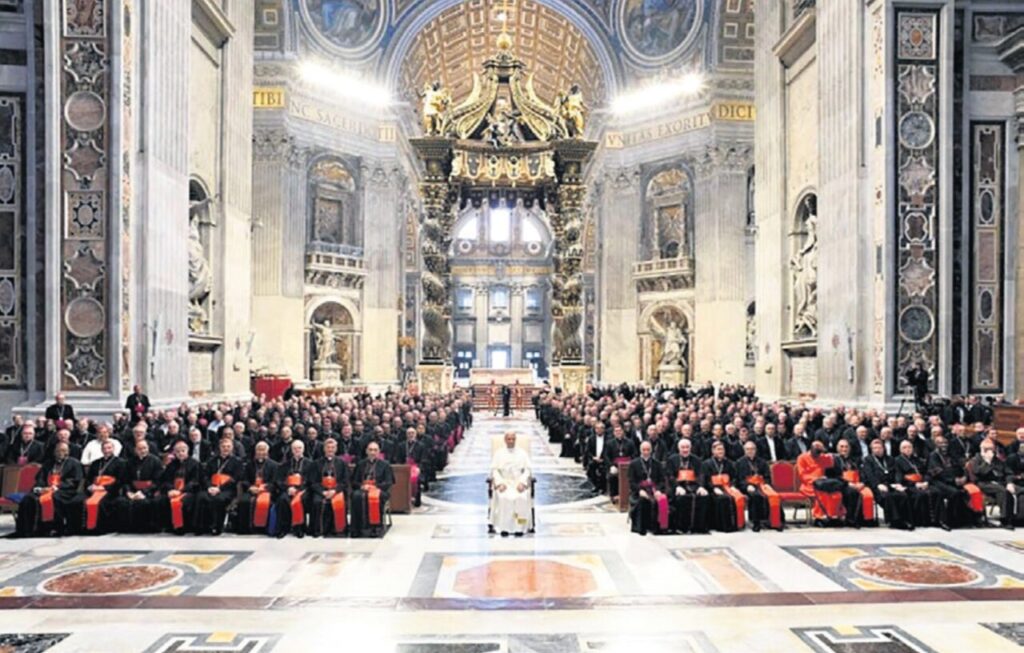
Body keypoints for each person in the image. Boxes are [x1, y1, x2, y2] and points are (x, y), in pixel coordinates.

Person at [14, 442, 84, 537]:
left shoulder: (74, 463)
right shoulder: (48, 463)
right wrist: (40, 488)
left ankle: (53, 527)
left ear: (68, 452)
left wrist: (57, 487)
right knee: (28, 498)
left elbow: (74, 481)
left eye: (63, 450)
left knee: (54, 497)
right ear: (54, 452)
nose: (60, 453)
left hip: (65, 491)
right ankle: (28, 529)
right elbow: (40, 478)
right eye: (58, 450)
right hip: (46, 489)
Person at [928, 434, 982, 530]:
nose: (943, 445)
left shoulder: (951, 455)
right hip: (939, 481)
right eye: (940, 443)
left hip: (955, 480)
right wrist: (953, 480)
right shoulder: (933, 456)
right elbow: (938, 472)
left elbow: (960, 467)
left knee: (967, 492)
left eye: (945, 443)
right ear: (936, 445)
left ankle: (967, 519)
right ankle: (948, 520)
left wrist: (963, 477)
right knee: (954, 493)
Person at [194, 439, 243, 535]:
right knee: (201, 496)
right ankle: (200, 527)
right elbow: (205, 476)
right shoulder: (212, 460)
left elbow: (236, 479)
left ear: (232, 448)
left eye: (228, 446)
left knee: (218, 499)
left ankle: (216, 527)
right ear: (219, 448)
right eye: (223, 446)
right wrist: (209, 487)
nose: (225, 449)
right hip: (211, 487)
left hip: (227, 489)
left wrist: (220, 489)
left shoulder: (237, 462)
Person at [861, 438, 912, 530]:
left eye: (879, 448)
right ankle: (895, 521)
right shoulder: (868, 460)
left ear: (883, 448)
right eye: (875, 448)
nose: (877, 450)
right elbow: (869, 475)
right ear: (871, 450)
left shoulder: (890, 459)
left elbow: (897, 472)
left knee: (903, 495)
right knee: (888, 496)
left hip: (891, 484)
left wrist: (897, 483)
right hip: (877, 486)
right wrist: (877, 485)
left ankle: (906, 519)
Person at [489, 432, 532, 536]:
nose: (511, 441)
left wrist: (522, 482)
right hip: (505, 483)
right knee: (504, 498)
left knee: (521, 498)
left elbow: (527, 470)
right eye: (509, 439)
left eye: (513, 439)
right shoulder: (499, 453)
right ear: (505, 440)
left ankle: (520, 527)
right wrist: (499, 483)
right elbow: (495, 470)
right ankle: (504, 528)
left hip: (518, 483)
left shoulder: (522, 453)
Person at [735, 440, 783, 532]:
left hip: (762, 485)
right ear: (744, 450)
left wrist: (766, 484)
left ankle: (775, 521)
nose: (750, 451)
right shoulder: (739, 463)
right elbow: (738, 480)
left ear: (756, 450)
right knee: (756, 496)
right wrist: (747, 486)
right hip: (748, 487)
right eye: (748, 449)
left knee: (774, 496)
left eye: (752, 449)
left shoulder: (762, 462)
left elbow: (767, 476)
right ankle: (756, 522)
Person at [965, 441, 1014, 530]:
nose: (990, 451)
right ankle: (1005, 520)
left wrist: (1009, 482)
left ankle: (1015, 518)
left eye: (992, 449)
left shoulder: (998, 460)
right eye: (987, 449)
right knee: (1002, 491)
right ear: (982, 449)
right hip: (983, 483)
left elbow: (1008, 472)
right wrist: (988, 462)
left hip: (999, 482)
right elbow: (979, 473)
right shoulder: (976, 460)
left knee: (1012, 491)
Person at [351, 441, 395, 538]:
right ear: (366, 451)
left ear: (379, 452)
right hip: (363, 489)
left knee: (375, 497)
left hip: (379, 490)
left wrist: (375, 487)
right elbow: (354, 482)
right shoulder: (360, 464)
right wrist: (362, 486)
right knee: (356, 496)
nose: (372, 452)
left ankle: (375, 528)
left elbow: (388, 482)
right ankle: (359, 527)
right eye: (370, 450)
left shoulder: (385, 465)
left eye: (375, 450)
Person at [81, 439, 125, 534]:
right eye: (104, 448)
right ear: (101, 450)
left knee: (102, 503)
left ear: (113, 449)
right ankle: (86, 528)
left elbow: (120, 480)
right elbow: (89, 478)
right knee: (79, 501)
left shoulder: (120, 463)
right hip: (94, 489)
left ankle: (100, 529)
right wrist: (90, 486)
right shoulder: (96, 463)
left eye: (109, 448)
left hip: (110, 490)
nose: (107, 450)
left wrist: (105, 488)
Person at [665, 438, 708, 533]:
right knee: (682, 498)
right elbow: (670, 476)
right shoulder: (672, 460)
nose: (685, 450)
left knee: (703, 497)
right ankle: (681, 527)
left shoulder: (696, 460)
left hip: (693, 486)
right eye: (682, 447)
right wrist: (677, 487)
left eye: (687, 447)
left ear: (690, 448)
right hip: (677, 487)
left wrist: (701, 486)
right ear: (678, 448)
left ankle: (698, 527)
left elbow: (700, 474)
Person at [159, 440, 202, 534]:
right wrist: (170, 489)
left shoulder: (195, 464)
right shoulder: (171, 465)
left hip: (188, 491)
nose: (180, 453)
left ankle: (182, 527)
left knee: (184, 502)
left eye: (183, 450)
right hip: (173, 491)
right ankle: (169, 526)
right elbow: (166, 480)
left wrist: (182, 490)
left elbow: (195, 481)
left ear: (187, 451)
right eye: (178, 451)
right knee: (161, 500)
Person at [235, 441, 279, 535]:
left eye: (263, 450)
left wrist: (264, 488)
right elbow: (245, 479)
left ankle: (263, 529)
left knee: (267, 503)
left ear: (267, 452)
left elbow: (275, 481)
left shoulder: (274, 465)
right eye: (258, 450)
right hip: (252, 490)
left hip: (267, 491)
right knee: (244, 501)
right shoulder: (249, 464)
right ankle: (246, 529)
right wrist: (250, 487)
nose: (260, 452)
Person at [797, 441, 845, 526]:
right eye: (816, 452)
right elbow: (802, 475)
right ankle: (820, 517)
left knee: (836, 494)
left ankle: (834, 516)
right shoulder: (802, 458)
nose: (818, 455)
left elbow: (834, 462)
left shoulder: (823, 457)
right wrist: (816, 479)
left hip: (824, 483)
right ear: (811, 450)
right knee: (822, 494)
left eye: (819, 452)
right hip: (809, 485)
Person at [701, 441, 745, 532]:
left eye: (722, 449)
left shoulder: (729, 463)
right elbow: (705, 479)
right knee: (723, 499)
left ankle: (736, 524)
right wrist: (713, 488)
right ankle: (722, 526)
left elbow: (734, 477)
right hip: (713, 488)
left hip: (727, 487)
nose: (721, 452)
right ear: (713, 451)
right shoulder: (706, 464)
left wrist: (732, 485)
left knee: (736, 497)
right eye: (718, 449)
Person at [310, 438, 350, 537]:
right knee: (317, 502)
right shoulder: (316, 463)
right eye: (328, 447)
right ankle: (319, 529)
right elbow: (313, 481)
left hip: (337, 491)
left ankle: (337, 529)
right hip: (321, 491)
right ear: (324, 449)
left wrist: (334, 491)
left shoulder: (342, 463)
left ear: (336, 449)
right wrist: (322, 492)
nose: (330, 450)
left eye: (332, 448)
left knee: (339, 502)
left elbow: (345, 481)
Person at [275, 439, 314, 539]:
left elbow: (311, 480)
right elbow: (279, 480)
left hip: (303, 490)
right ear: (291, 450)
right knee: (282, 500)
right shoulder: (285, 464)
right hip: (288, 489)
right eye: (295, 448)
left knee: (301, 500)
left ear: (303, 449)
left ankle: (299, 528)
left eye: (299, 448)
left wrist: (299, 489)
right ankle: (283, 528)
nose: (297, 450)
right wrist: (288, 488)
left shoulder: (310, 464)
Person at [628, 441, 667, 535]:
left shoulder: (657, 464)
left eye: (648, 450)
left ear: (651, 450)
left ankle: (656, 527)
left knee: (660, 500)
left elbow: (662, 480)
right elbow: (631, 482)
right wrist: (639, 490)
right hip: (639, 492)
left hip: (654, 490)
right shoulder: (634, 464)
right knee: (642, 501)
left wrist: (658, 490)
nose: (646, 452)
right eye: (644, 450)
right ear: (640, 450)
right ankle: (642, 527)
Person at [835, 440, 874, 527]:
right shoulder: (834, 460)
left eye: (846, 447)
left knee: (868, 494)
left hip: (858, 483)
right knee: (852, 492)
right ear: (837, 448)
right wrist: (848, 483)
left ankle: (866, 519)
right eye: (842, 447)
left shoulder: (856, 460)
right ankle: (851, 519)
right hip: (843, 484)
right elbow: (834, 475)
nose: (844, 449)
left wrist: (862, 483)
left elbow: (864, 473)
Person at [394, 427, 426, 507]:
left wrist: (419, 467)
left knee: (416, 481)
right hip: (404, 467)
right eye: (409, 433)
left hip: (416, 467)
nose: (411, 435)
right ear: (406, 435)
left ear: (415, 434)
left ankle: (416, 500)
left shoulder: (421, 445)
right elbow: (398, 458)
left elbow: (424, 459)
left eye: (412, 433)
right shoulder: (401, 445)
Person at [603, 425, 637, 500]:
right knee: (612, 477)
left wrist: (630, 462)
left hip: (628, 466)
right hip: (615, 466)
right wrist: (611, 465)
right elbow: (606, 456)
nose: (618, 432)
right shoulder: (609, 443)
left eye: (620, 431)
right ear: (614, 433)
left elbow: (634, 454)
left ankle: (629, 495)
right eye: (616, 431)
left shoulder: (630, 442)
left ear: (623, 432)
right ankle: (614, 495)